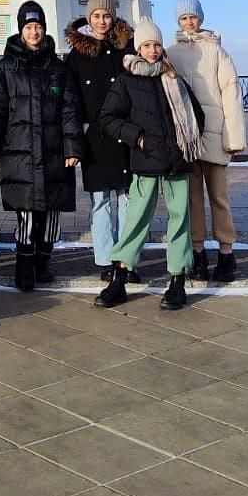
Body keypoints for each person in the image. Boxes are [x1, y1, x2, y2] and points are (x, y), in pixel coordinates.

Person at [96, 18, 204, 311]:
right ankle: (119, 277)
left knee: (179, 220)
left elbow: (196, 115)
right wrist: (138, 138)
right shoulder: (127, 81)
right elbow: (108, 118)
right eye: (147, 45)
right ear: (138, 48)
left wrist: (187, 139)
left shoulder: (173, 78)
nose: (153, 50)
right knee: (136, 221)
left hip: (177, 162)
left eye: (156, 45)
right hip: (145, 161)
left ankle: (178, 280)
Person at [0, 0, 83, 291]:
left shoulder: (58, 68)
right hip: (20, 151)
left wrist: (73, 148)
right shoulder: (7, 67)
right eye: (29, 27)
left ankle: (43, 262)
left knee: (50, 216)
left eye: (38, 26)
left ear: (44, 29)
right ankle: (24, 266)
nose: (34, 32)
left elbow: (69, 110)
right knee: (25, 216)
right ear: (21, 30)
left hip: (53, 151)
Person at [169, 0, 246, 284]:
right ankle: (198, 252)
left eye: (193, 17)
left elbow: (231, 94)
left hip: (214, 134)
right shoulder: (171, 53)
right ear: (178, 21)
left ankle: (226, 252)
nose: (190, 22)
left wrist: (234, 137)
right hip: (187, 136)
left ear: (201, 19)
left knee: (219, 197)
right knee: (191, 198)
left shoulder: (217, 52)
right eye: (184, 18)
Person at [65, 0, 137, 283]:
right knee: (101, 201)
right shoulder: (77, 54)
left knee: (129, 198)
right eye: (96, 16)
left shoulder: (126, 47)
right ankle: (106, 259)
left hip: (126, 133)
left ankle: (128, 258)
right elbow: (71, 98)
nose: (102, 21)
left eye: (106, 15)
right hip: (95, 135)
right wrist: (78, 132)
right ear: (88, 17)